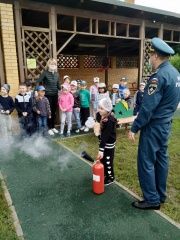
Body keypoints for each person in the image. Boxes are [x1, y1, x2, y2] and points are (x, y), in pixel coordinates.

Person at [128, 37, 180, 210]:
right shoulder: (175, 73)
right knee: (161, 159)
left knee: (146, 161)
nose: (149, 59)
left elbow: (148, 108)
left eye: (150, 56)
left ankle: (152, 199)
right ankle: (160, 194)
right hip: (166, 123)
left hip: (154, 125)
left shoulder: (158, 77)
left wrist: (134, 128)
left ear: (156, 56)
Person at [35, 58, 61, 136]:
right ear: (48, 65)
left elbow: (58, 84)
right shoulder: (45, 73)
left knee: (53, 111)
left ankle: (53, 126)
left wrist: (63, 88)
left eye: (54, 64)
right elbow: (38, 82)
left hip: (55, 95)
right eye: (51, 64)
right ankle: (48, 127)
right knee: (48, 111)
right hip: (48, 95)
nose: (53, 65)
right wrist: (36, 90)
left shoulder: (57, 74)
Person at [96, 98, 117, 186]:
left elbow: (105, 137)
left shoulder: (109, 121)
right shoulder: (102, 116)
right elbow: (97, 122)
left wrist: (101, 149)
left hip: (108, 144)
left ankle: (110, 177)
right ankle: (104, 173)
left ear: (107, 109)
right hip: (104, 142)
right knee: (103, 160)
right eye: (99, 108)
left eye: (102, 108)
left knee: (108, 160)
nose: (99, 110)